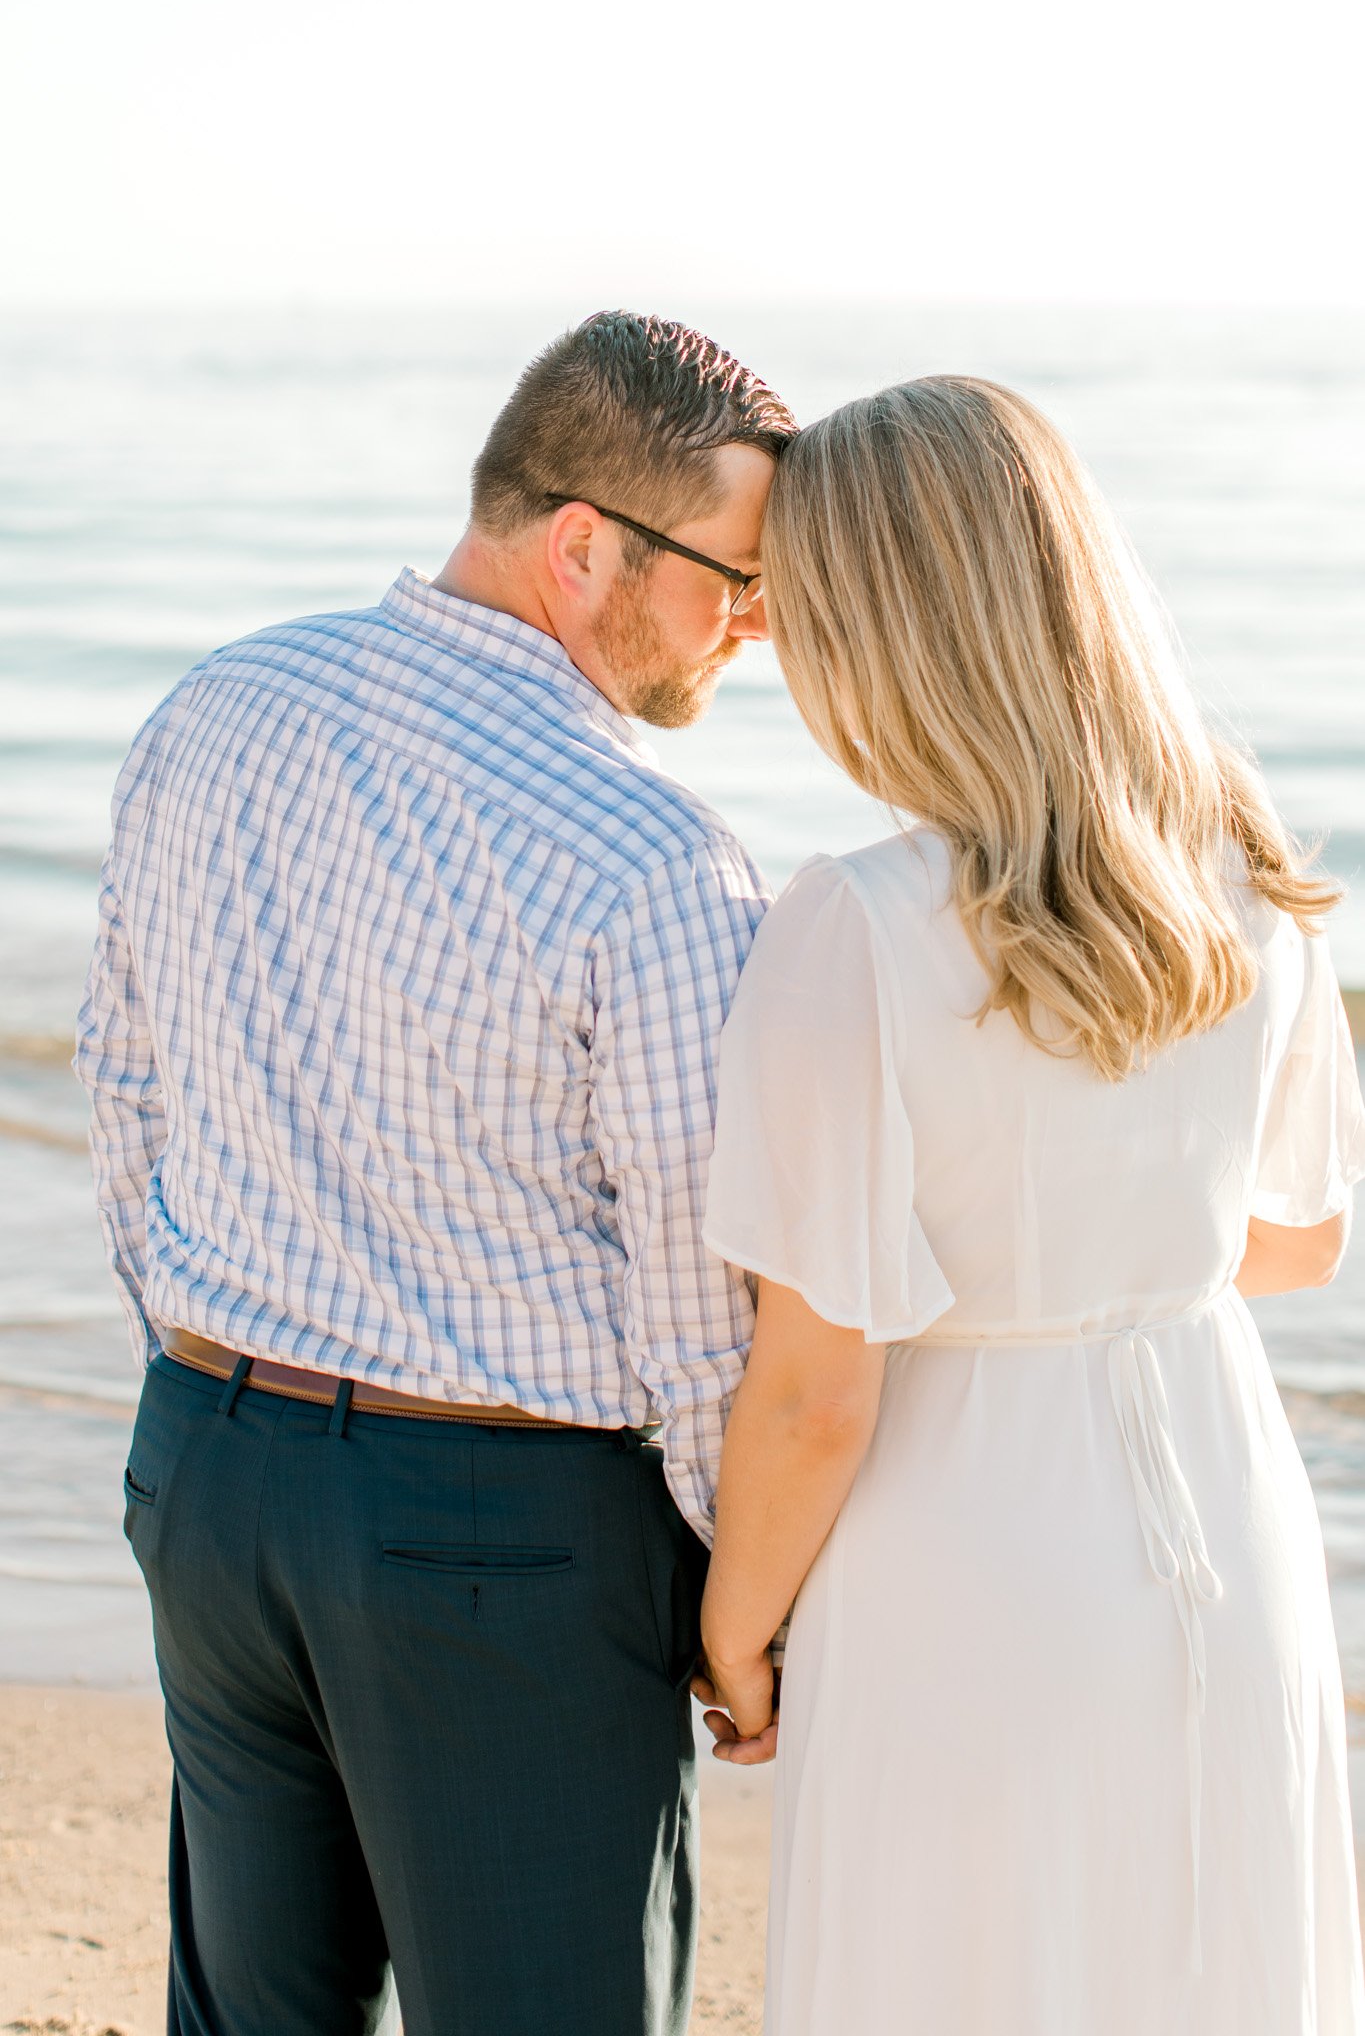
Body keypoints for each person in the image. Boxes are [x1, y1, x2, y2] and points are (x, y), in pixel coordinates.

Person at [74, 311, 796, 2036]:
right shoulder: (658, 858)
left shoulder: (215, 703)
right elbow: (697, 1316)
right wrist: (736, 1602)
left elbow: (126, 1094)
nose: (752, 630)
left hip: (210, 1475)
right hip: (501, 1544)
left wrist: (205, 1398)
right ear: (581, 548)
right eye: (732, 580)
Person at [698, 378, 1365, 2034]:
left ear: (875, 628)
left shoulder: (857, 923)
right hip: (1227, 1510)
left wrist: (732, 1635)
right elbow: (1294, 1242)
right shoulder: (1242, 868)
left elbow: (813, 1391)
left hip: (970, 1548)